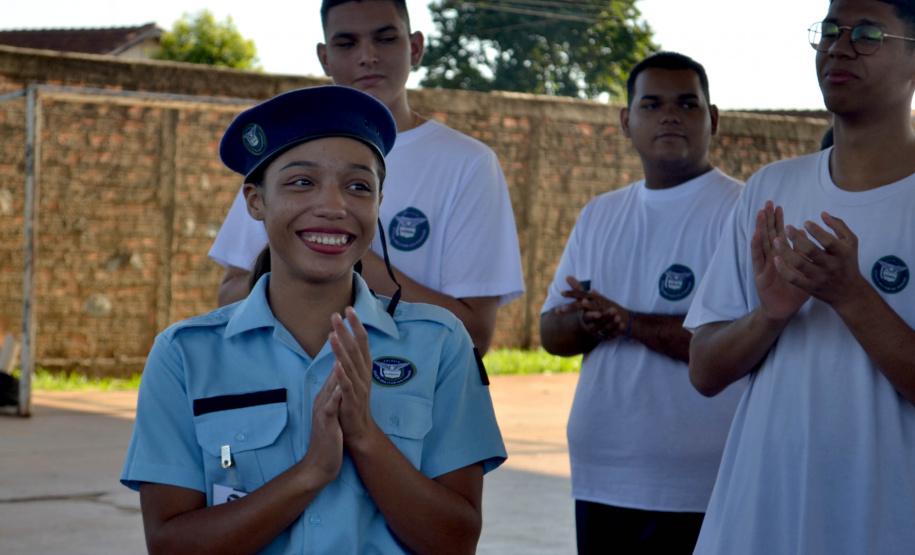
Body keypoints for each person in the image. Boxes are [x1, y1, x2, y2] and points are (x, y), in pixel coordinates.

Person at [121, 86, 506, 554]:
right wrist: (310, 474)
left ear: (379, 204)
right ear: (255, 202)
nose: (334, 206)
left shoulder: (439, 343)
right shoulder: (185, 355)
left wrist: (364, 436)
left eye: (358, 186)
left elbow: (456, 540)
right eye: (301, 182)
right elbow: (170, 545)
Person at [686, 0, 915, 553]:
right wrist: (768, 316)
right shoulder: (770, 188)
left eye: (866, 33)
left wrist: (853, 296)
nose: (839, 47)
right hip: (756, 521)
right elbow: (705, 370)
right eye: (830, 31)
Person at [208, 0, 524, 355]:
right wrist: (304, 258)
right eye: (347, 43)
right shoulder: (286, 149)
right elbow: (228, 298)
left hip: (409, 390)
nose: (367, 56)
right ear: (324, 57)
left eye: (385, 39)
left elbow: (475, 336)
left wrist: (352, 259)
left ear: (416, 47)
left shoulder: (469, 162)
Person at [539, 52, 746, 554]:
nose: (669, 115)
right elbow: (551, 334)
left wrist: (629, 322)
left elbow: (743, 344)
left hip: (703, 478)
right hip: (601, 471)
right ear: (625, 121)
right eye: (651, 104)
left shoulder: (743, 211)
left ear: (712, 119)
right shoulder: (599, 214)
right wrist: (590, 321)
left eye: (687, 104)